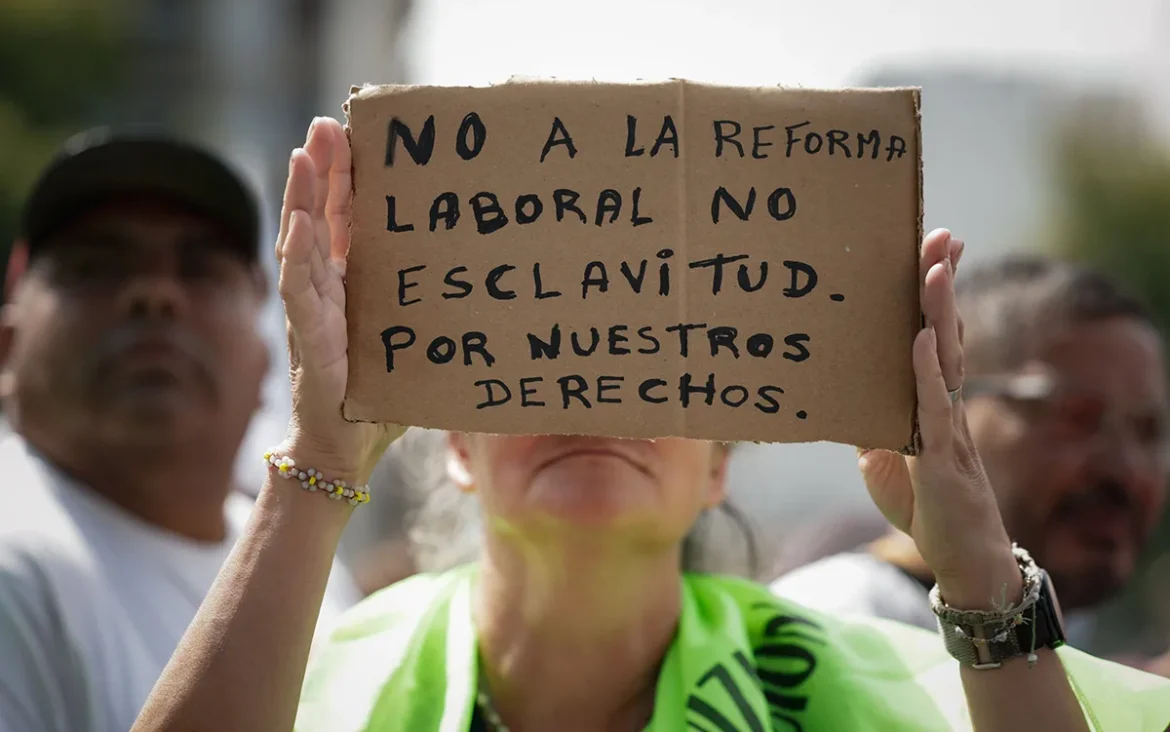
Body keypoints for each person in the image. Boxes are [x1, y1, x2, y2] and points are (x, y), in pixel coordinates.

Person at [133, 117, 1170, 732]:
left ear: (720, 468)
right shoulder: (314, 687)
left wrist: (980, 570)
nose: (600, 394)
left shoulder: (863, 691)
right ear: (454, 446)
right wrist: (320, 460)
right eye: (541, 353)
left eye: (660, 365)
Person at [0, 128, 361, 732]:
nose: (155, 293)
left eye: (200, 269)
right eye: (96, 267)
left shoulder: (319, 574)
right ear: (7, 347)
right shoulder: (15, 566)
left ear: (265, 363)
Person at [771, 255, 1168, 646]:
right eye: (1076, 417)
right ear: (937, 404)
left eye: (1149, 432)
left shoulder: (1083, 645)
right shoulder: (828, 632)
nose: (1126, 468)